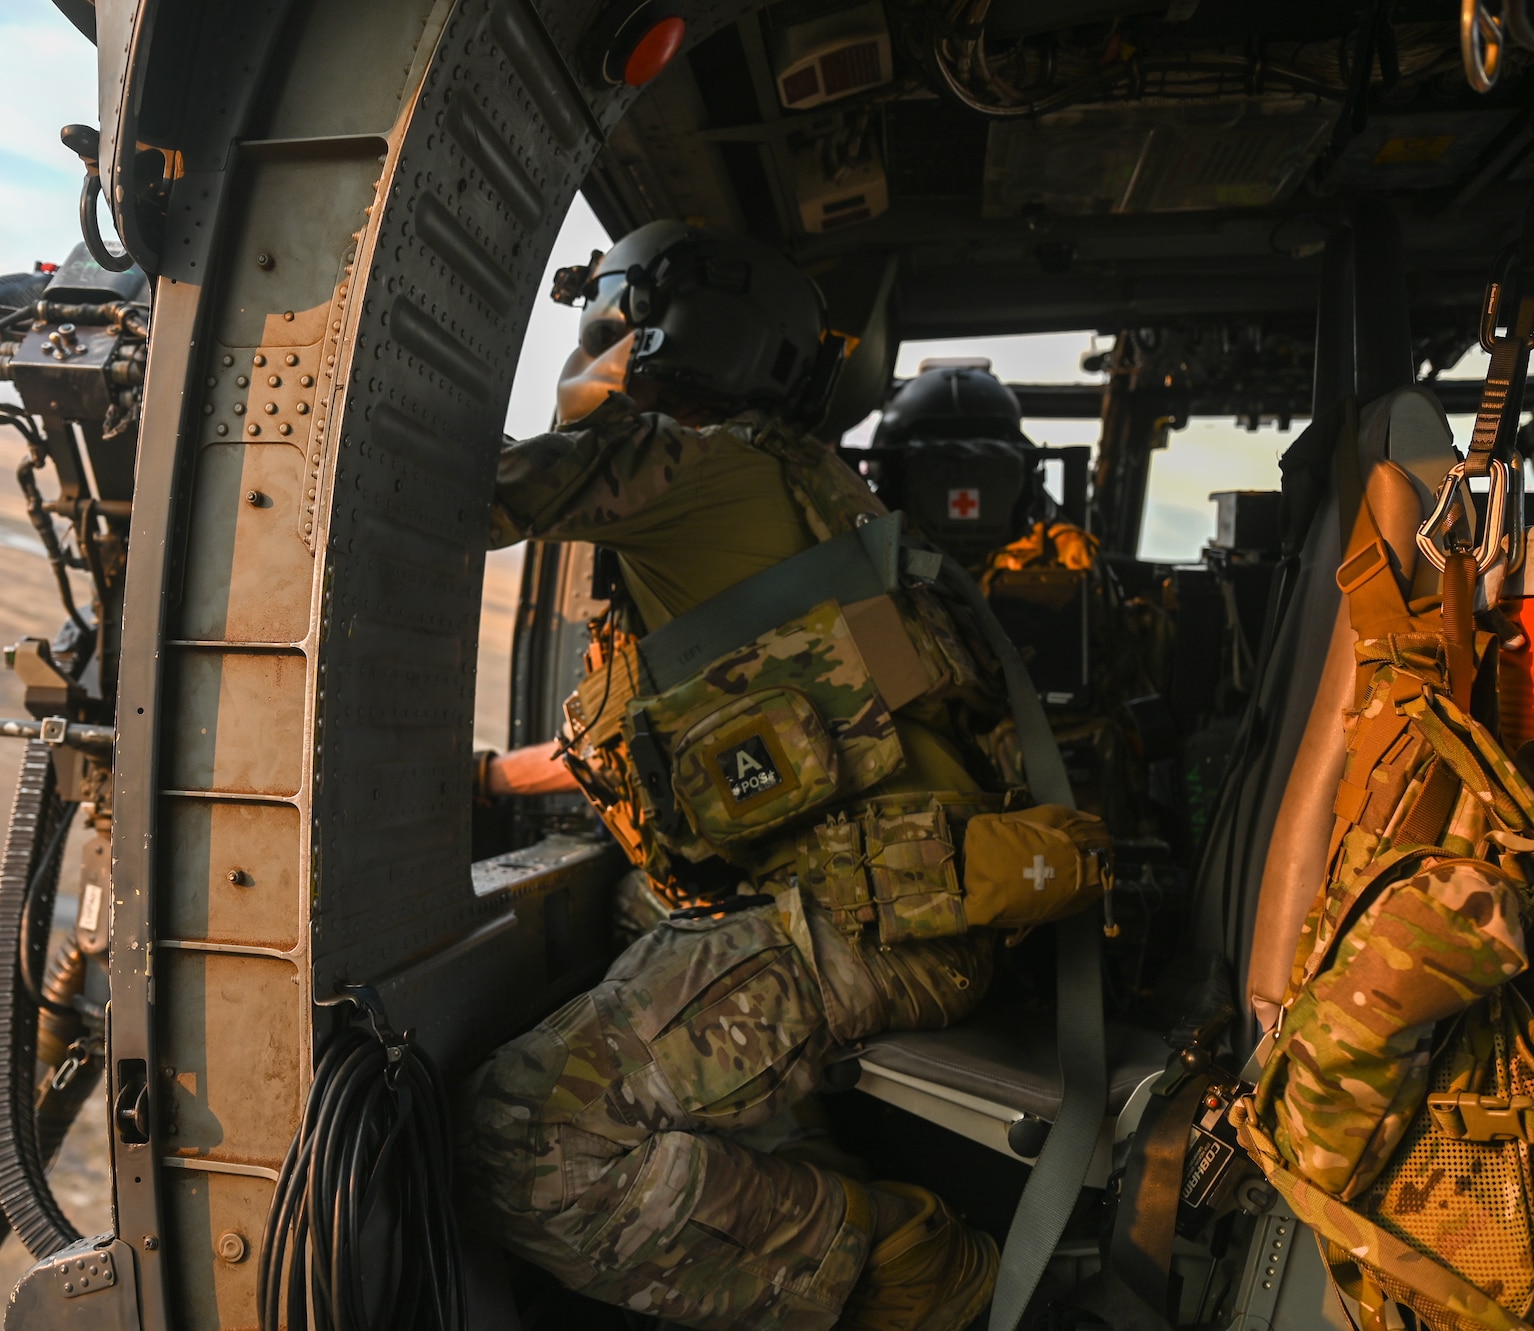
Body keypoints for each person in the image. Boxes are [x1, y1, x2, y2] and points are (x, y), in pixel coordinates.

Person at [459, 222, 1109, 1331]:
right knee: (633, 904)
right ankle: (785, 1152)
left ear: (634, 324)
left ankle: (907, 1261)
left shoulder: (672, 464)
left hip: (867, 924)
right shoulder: (811, 495)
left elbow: (453, 496)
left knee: (528, 1142)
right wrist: (501, 778)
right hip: (915, 903)